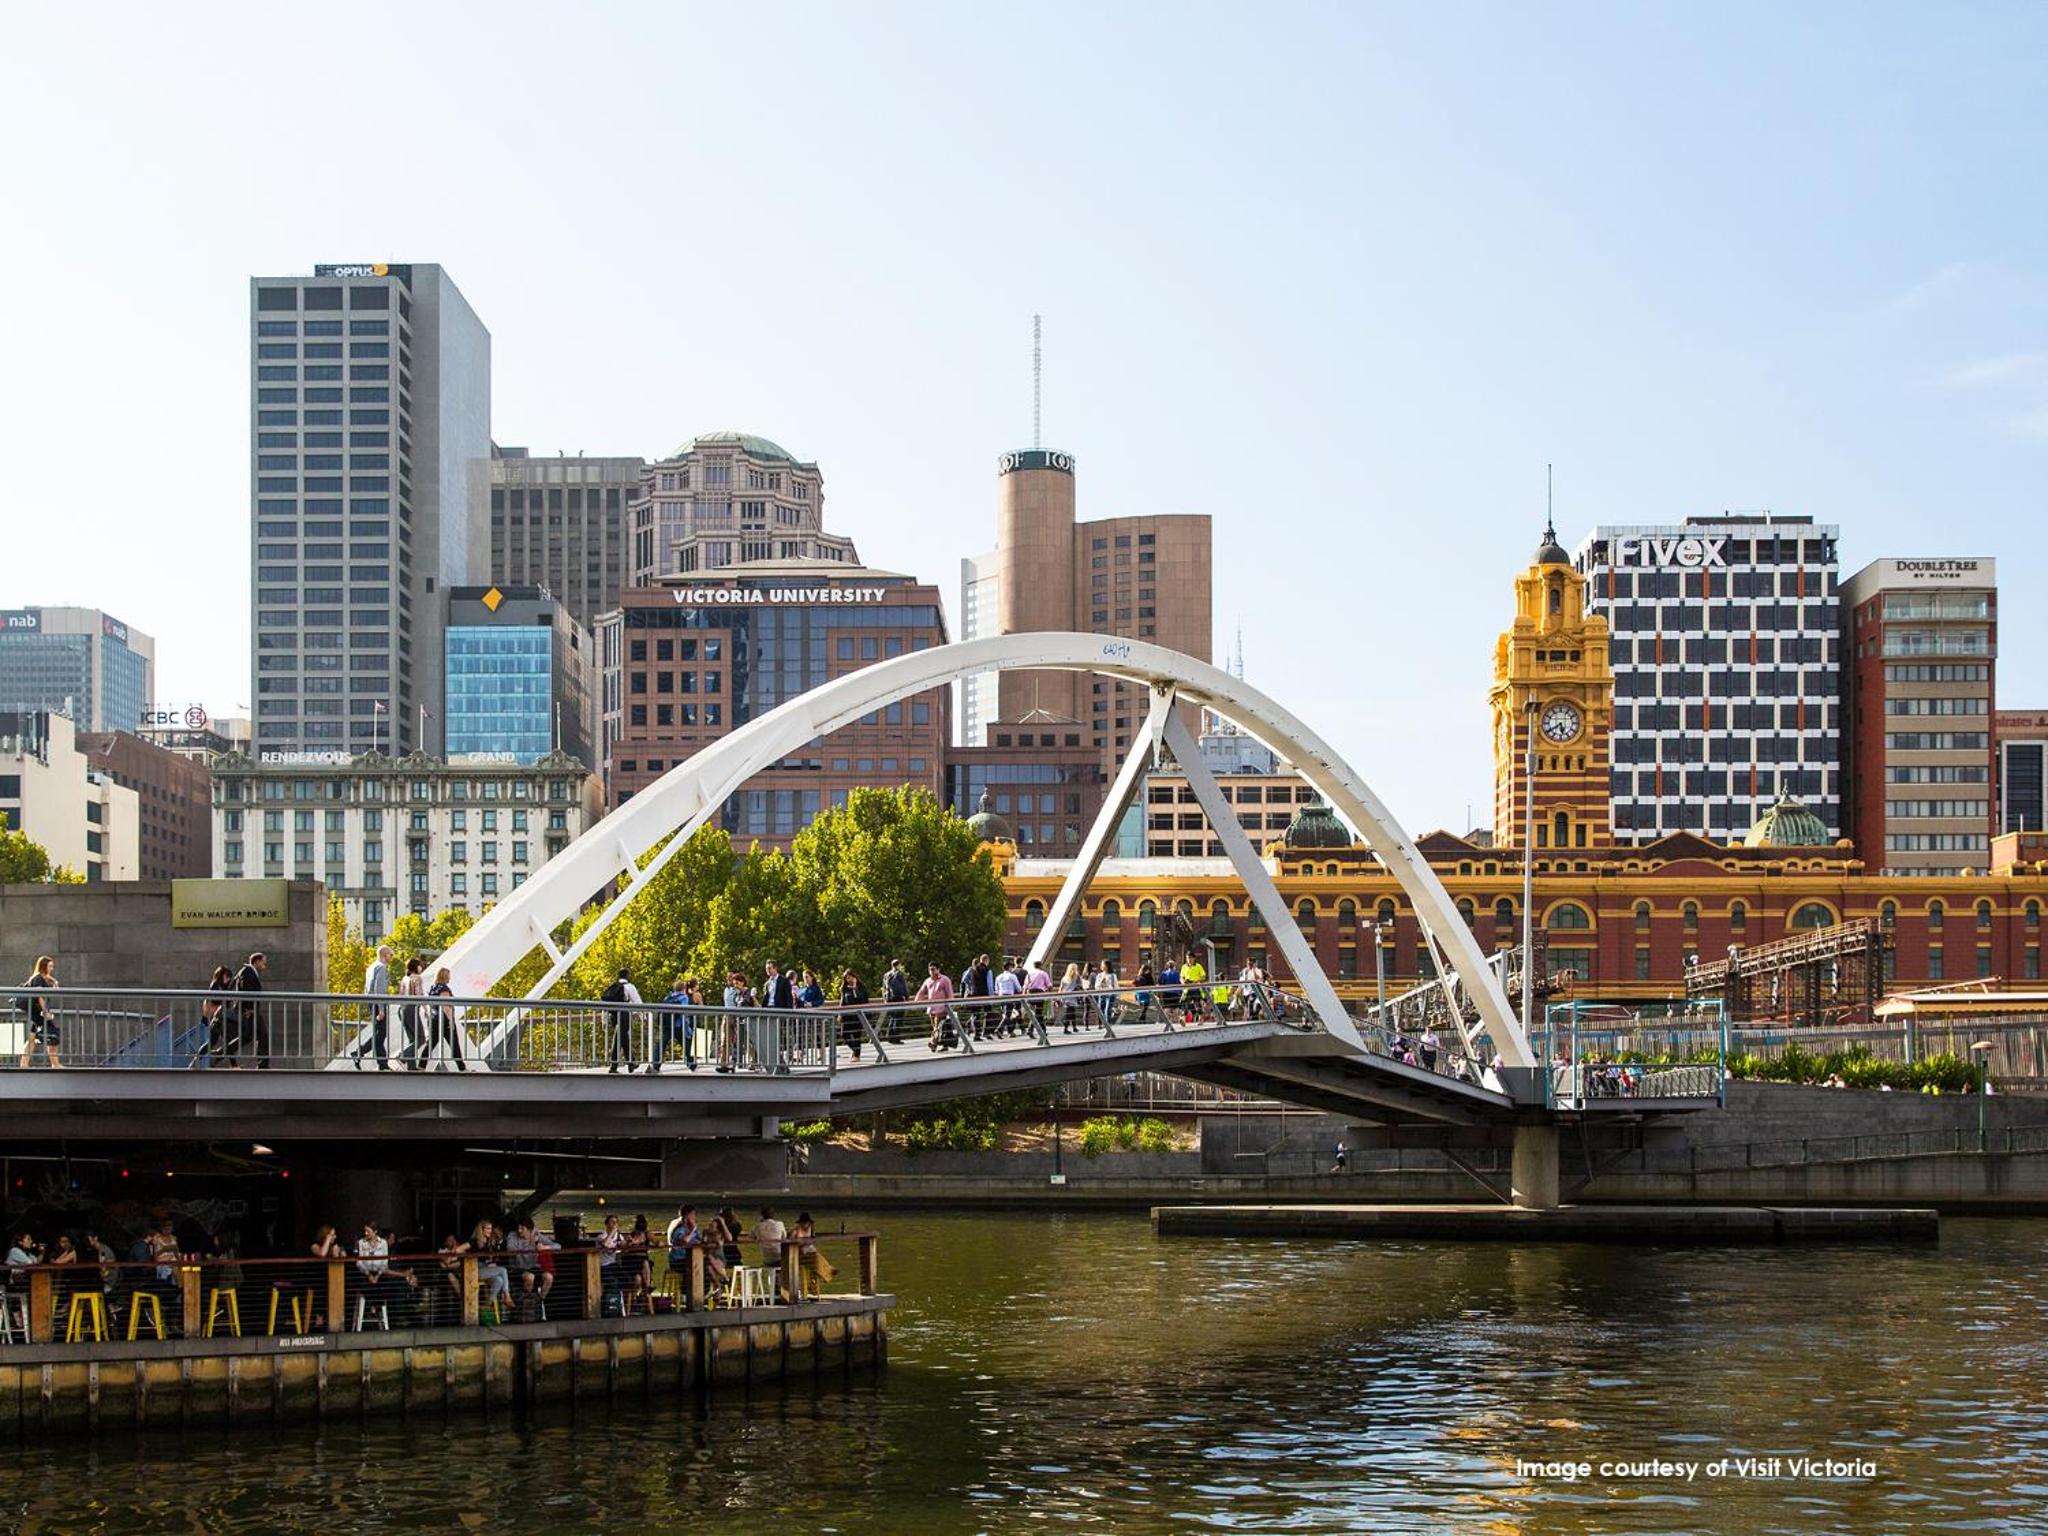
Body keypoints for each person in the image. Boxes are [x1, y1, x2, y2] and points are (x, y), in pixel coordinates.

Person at [17, 955, 60, 1070]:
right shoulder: (38, 979)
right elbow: (39, 996)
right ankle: (55, 1064)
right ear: (43, 966)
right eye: (50, 966)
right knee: (52, 1034)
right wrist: (45, 1012)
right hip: (39, 1012)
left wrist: (53, 980)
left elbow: (54, 990)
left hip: (36, 1012)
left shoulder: (41, 977)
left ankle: (24, 1063)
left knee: (32, 1039)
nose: (52, 968)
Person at [424, 966, 466, 1070]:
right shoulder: (444, 989)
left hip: (434, 1019)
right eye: (448, 976)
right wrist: (451, 1020)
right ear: (444, 976)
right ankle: (462, 1068)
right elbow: (445, 1006)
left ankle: (421, 1065)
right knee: (454, 1044)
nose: (450, 978)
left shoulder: (433, 988)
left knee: (431, 1044)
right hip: (444, 1020)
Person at [601, 967, 641, 1073]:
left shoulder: (613, 986)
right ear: (627, 975)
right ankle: (630, 1063)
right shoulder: (629, 987)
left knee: (620, 1039)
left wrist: (604, 1020)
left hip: (614, 1016)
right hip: (624, 1015)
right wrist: (642, 1016)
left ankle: (617, 1066)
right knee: (622, 1039)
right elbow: (638, 1002)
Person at [195, 962, 235, 1067]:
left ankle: (196, 1060)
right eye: (226, 976)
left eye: (229, 977)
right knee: (226, 1041)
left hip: (219, 1017)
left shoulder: (222, 987)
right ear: (221, 975)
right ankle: (233, 1065)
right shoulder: (215, 985)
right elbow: (215, 999)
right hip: (217, 1017)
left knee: (215, 1041)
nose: (228, 979)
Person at [234, 951, 270, 1068]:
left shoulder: (248, 972)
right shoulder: (248, 972)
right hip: (250, 1011)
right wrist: (249, 1009)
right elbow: (247, 991)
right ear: (257, 961)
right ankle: (263, 1064)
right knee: (262, 1035)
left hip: (251, 1010)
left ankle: (221, 1052)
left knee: (247, 1037)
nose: (264, 965)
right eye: (263, 963)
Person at [362, 944, 395, 1070]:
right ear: (384, 954)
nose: (391, 957)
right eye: (390, 954)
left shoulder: (371, 967)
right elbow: (379, 990)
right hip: (378, 1003)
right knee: (381, 1033)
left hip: (371, 1002)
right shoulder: (381, 968)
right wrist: (381, 1009)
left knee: (379, 1033)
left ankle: (382, 1063)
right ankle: (360, 1051)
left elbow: (367, 988)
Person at [654, 978, 698, 1073]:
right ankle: (691, 1064)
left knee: (661, 1044)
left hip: (666, 1025)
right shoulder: (684, 997)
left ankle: (655, 1064)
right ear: (683, 988)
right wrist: (687, 1028)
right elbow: (684, 1012)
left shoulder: (668, 997)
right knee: (686, 1044)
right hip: (678, 1025)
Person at [916, 962, 956, 1050]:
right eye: (930, 969)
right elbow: (922, 991)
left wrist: (950, 1006)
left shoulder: (944, 980)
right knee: (936, 1027)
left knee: (937, 1027)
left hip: (942, 1008)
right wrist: (916, 1002)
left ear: (938, 969)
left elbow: (949, 993)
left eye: (933, 969)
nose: (931, 971)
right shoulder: (928, 980)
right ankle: (944, 1045)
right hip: (931, 1008)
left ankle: (932, 1042)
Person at [395, 957, 425, 1070]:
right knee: (421, 1039)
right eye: (420, 965)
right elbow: (419, 995)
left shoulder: (404, 978)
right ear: (416, 967)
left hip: (402, 1010)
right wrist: (426, 1009)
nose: (421, 967)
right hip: (412, 1009)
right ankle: (401, 1057)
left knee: (413, 1039)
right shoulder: (417, 978)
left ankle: (411, 1067)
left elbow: (400, 995)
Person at [838, 969, 870, 1060]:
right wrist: (840, 1013)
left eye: (850, 977)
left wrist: (855, 987)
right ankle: (854, 1050)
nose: (849, 980)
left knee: (856, 1036)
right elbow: (842, 1001)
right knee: (844, 1035)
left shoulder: (861, 987)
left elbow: (860, 1000)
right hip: (847, 1015)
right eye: (847, 978)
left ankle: (856, 1055)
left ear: (854, 977)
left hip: (858, 1015)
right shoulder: (844, 988)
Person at [882, 959, 911, 1045]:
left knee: (892, 1018)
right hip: (898, 998)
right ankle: (896, 1038)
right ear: (898, 965)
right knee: (898, 1019)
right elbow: (902, 987)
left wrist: (885, 999)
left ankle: (890, 1037)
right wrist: (906, 996)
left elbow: (884, 988)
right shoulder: (899, 974)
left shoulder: (886, 975)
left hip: (889, 999)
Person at [1058, 962, 1085, 1034]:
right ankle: (1066, 1028)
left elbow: (1061, 988)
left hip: (1065, 996)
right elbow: (1080, 986)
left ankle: (1073, 1027)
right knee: (1071, 1012)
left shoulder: (1064, 977)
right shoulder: (1077, 976)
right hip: (1073, 996)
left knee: (1070, 1012)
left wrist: (1058, 997)